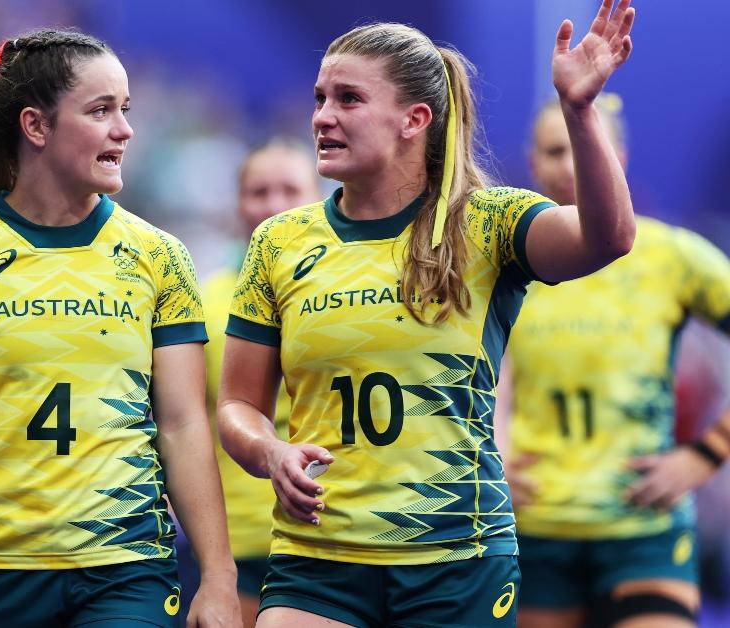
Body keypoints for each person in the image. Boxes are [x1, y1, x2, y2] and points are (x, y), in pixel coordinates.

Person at [216, 2, 636, 626]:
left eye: (349, 99)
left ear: (415, 119)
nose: (322, 117)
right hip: (317, 558)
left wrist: (579, 111)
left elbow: (608, 238)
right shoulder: (279, 243)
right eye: (320, 97)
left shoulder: (488, 222)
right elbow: (237, 404)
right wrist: (269, 452)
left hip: (456, 559)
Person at [0, 28, 240, 627]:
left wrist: (218, 574)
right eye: (101, 111)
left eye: (125, 110)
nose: (124, 131)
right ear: (36, 126)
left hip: (129, 566)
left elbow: (182, 423)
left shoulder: (160, 257)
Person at [501, 92, 730, 628]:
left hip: (644, 530)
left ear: (618, 156)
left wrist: (705, 454)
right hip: (534, 527)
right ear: (533, 164)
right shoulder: (506, 261)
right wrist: (490, 458)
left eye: (586, 145)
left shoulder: (672, 256)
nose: (571, 163)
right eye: (555, 151)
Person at [201, 139, 321, 627]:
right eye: (259, 191)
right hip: (238, 540)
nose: (274, 205)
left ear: (319, 196)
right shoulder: (201, 300)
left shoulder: (357, 295)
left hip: (334, 536)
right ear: (238, 204)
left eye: (290, 190)